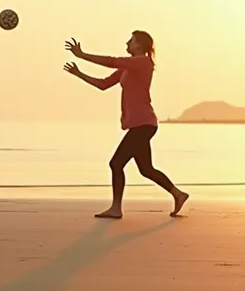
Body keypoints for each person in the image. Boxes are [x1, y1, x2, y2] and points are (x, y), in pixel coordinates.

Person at [64, 31, 189, 219]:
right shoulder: (128, 68)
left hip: (143, 124)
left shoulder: (142, 62)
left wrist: (82, 55)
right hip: (140, 125)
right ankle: (178, 194)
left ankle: (116, 208)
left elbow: (112, 61)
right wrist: (79, 73)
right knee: (146, 169)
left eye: (131, 41)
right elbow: (103, 84)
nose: (127, 43)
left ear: (139, 45)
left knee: (116, 163)